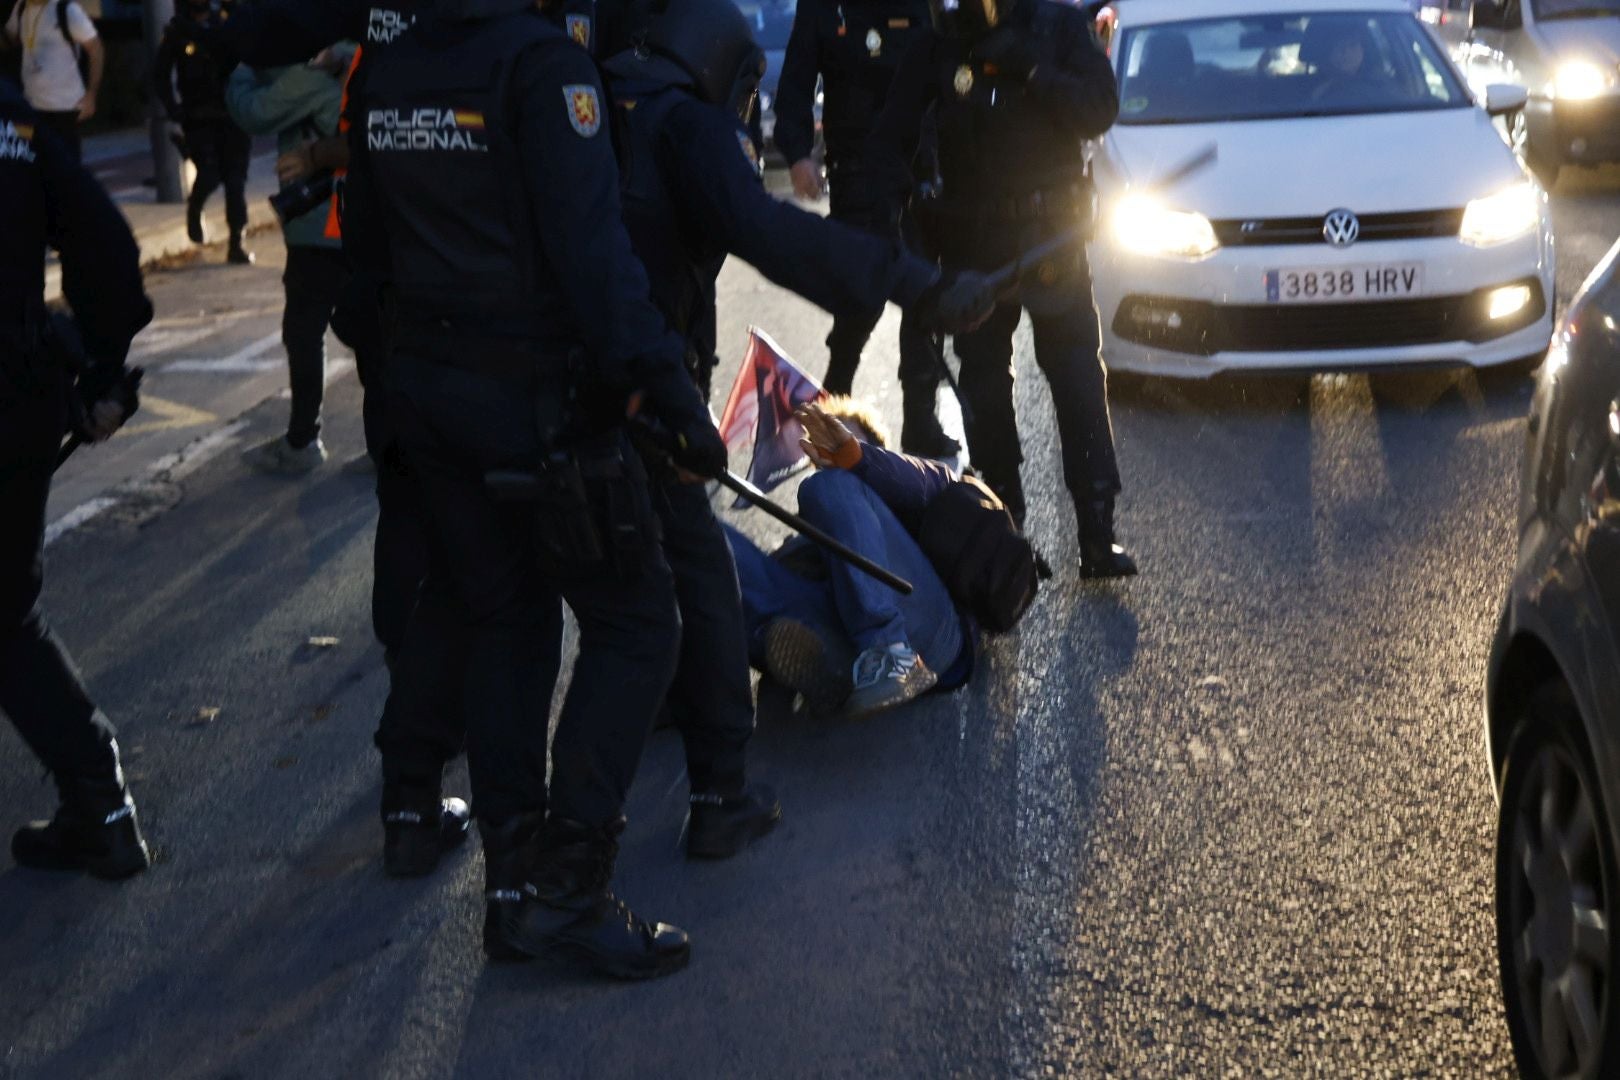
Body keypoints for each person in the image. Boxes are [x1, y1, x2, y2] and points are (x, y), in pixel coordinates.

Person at [346, 0, 730, 978]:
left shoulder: (387, 71)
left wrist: (405, 391)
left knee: (505, 621)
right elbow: (597, 265)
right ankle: (567, 890)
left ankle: (514, 892)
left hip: (431, 400)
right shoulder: (544, 70)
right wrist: (676, 399)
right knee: (639, 621)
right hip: (536, 408)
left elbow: (363, 268)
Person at [600, 0, 989, 858]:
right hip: (646, 396)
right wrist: (915, 282)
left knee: (731, 538)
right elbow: (772, 232)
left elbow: (927, 487)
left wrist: (854, 456)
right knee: (709, 561)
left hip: (926, 634)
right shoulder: (678, 127)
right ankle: (730, 729)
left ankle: (849, 661)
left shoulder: (600, 112)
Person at [867, 0, 1139, 578]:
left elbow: (1100, 109)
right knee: (985, 382)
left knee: (1076, 375)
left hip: (1052, 241)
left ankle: (1097, 531)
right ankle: (1006, 528)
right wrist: (907, 234)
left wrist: (1036, 71)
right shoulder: (942, 39)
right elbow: (889, 143)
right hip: (972, 245)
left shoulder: (1058, 25)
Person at [1, 81, 154, 878]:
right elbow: (106, 244)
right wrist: (97, 363)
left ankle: (99, 800)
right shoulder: (15, 125)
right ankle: (100, 802)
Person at [774, 0, 960, 455]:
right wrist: (798, 154)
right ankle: (832, 413)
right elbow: (797, 80)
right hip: (857, 172)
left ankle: (920, 419)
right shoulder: (827, 8)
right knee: (859, 299)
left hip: (922, 172)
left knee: (925, 294)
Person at [726, 400, 975, 719]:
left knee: (826, 486)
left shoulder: (902, 484)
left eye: (841, 436)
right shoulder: (824, 521)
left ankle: (892, 655)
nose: (831, 448)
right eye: (825, 442)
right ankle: (834, 670)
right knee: (721, 545)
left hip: (931, 634)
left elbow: (926, 480)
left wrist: (857, 459)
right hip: (853, 643)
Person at [225, 50, 351, 476]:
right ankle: (388, 443)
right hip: (360, 221)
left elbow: (253, 112)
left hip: (320, 227)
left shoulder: (309, 77)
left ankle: (302, 441)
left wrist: (241, 62)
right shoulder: (359, 61)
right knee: (371, 333)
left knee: (303, 332)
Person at [153, 0, 254, 264]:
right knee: (209, 174)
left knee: (235, 181)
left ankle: (237, 242)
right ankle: (195, 207)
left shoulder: (226, 19)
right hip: (198, 115)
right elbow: (159, 74)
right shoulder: (179, 29)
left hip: (232, 115)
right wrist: (172, 107)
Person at [1, 0, 100, 163]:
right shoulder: (20, 8)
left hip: (65, 107)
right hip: (32, 105)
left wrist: (91, 94)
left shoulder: (66, 10)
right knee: (36, 162)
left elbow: (96, 48)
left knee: (67, 164)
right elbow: (9, 37)